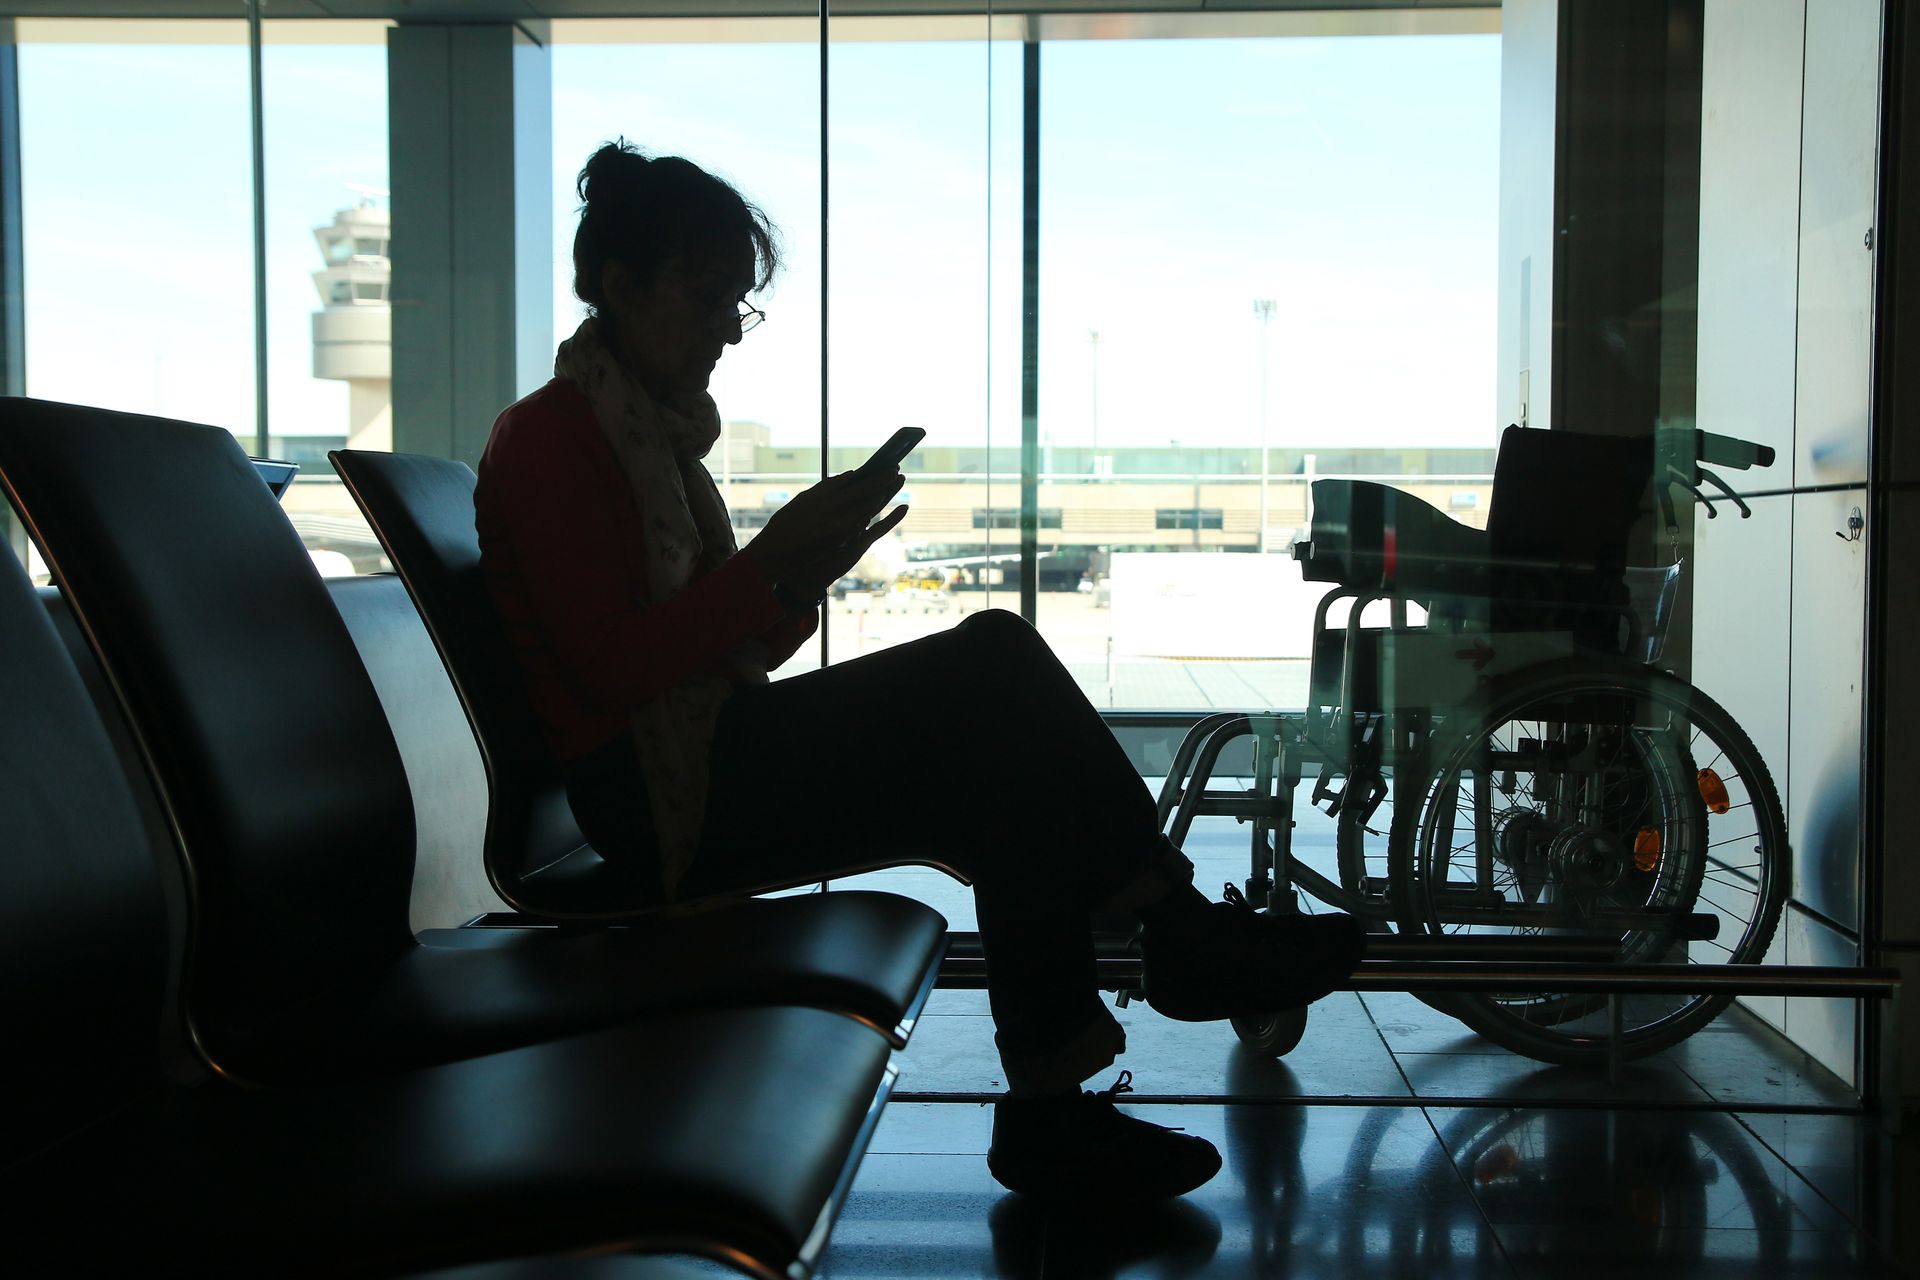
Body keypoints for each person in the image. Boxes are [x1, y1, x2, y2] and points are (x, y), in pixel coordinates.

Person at [474, 140, 1365, 1206]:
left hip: (686, 766)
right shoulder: (551, 442)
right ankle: (1169, 932)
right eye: (710, 295)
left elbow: (709, 651)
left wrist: (800, 577)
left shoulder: (641, 441)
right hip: (648, 800)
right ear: (619, 285)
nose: (726, 328)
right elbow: (612, 669)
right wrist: (768, 568)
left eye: (738, 305)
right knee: (991, 661)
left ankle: (1056, 1102)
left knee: (999, 773)